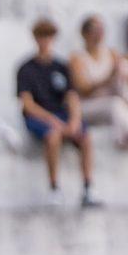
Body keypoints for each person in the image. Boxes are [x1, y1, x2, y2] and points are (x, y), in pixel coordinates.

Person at [17, 18, 97, 207]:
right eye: (41, 36)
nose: (45, 41)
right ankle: (54, 188)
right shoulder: (26, 69)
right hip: (39, 117)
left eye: (48, 36)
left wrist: (75, 120)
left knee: (84, 137)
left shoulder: (61, 67)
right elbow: (27, 104)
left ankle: (88, 188)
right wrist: (52, 120)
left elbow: (72, 98)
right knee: (53, 136)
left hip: (61, 115)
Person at [69, 14, 128, 150]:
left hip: (114, 98)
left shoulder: (111, 53)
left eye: (100, 29)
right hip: (88, 105)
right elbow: (83, 89)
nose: (98, 33)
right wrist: (109, 78)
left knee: (125, 71)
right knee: (115, 103)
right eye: (94, 29)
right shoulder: (77, 58)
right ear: (85, 33)